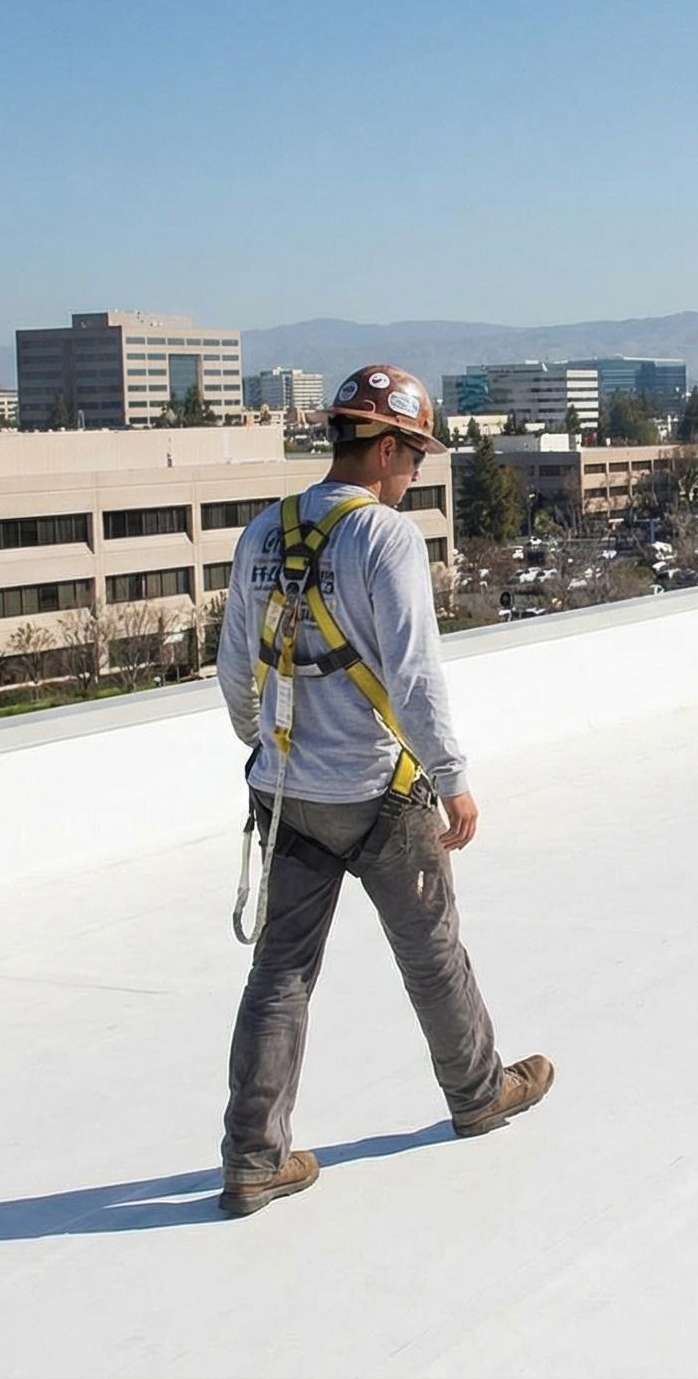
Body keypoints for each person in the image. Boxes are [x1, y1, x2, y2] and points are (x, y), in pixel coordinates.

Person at [214, 364, 552, 1218]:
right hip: (378, 791)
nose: (414, 476)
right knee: (431, 950)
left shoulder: (262, 533)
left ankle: (254, 1158)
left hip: (288, 795)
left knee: (280, 975)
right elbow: (413, 674)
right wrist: (453, 778)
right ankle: (479, 1094)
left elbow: (234, 667)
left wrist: (265, 747)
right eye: (414, 460)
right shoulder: (386, 540)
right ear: (389, 447)